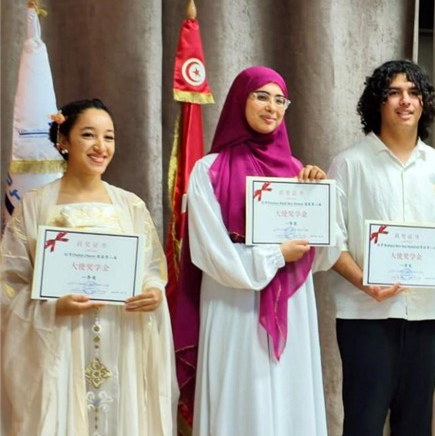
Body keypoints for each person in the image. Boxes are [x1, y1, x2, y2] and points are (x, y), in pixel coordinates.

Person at [172, 66, 336, 436]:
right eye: (261, 96)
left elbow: (321, 253)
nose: (271, 107)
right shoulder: (208, 170)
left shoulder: (297, 171)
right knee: (240, 394)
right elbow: (210, 251)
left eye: (280, 100)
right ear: (239, 100)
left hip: (290, 305)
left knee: (288, 393)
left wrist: (319, 195)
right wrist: (275, 255)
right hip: (232, 302)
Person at [0, 98, 177, 435]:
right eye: (88, 135)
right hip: (61, 343)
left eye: (109, 137)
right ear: (63, 141)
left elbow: (151, 269)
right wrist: (51, 308)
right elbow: (9, 284)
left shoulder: (130, 206)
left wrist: (154, 292)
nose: (101, 146)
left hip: (121, 337)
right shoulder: (35, 205)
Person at [323, 59, 435, 436]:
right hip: (365, 315)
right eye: (394, 92)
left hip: (426, 314)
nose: (405, 100)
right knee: (364, 423)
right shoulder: (348, 164)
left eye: (414, 92)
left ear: (424, 102)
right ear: (378, 102)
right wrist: (366, 283)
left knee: (415, 424)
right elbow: (331, 243)